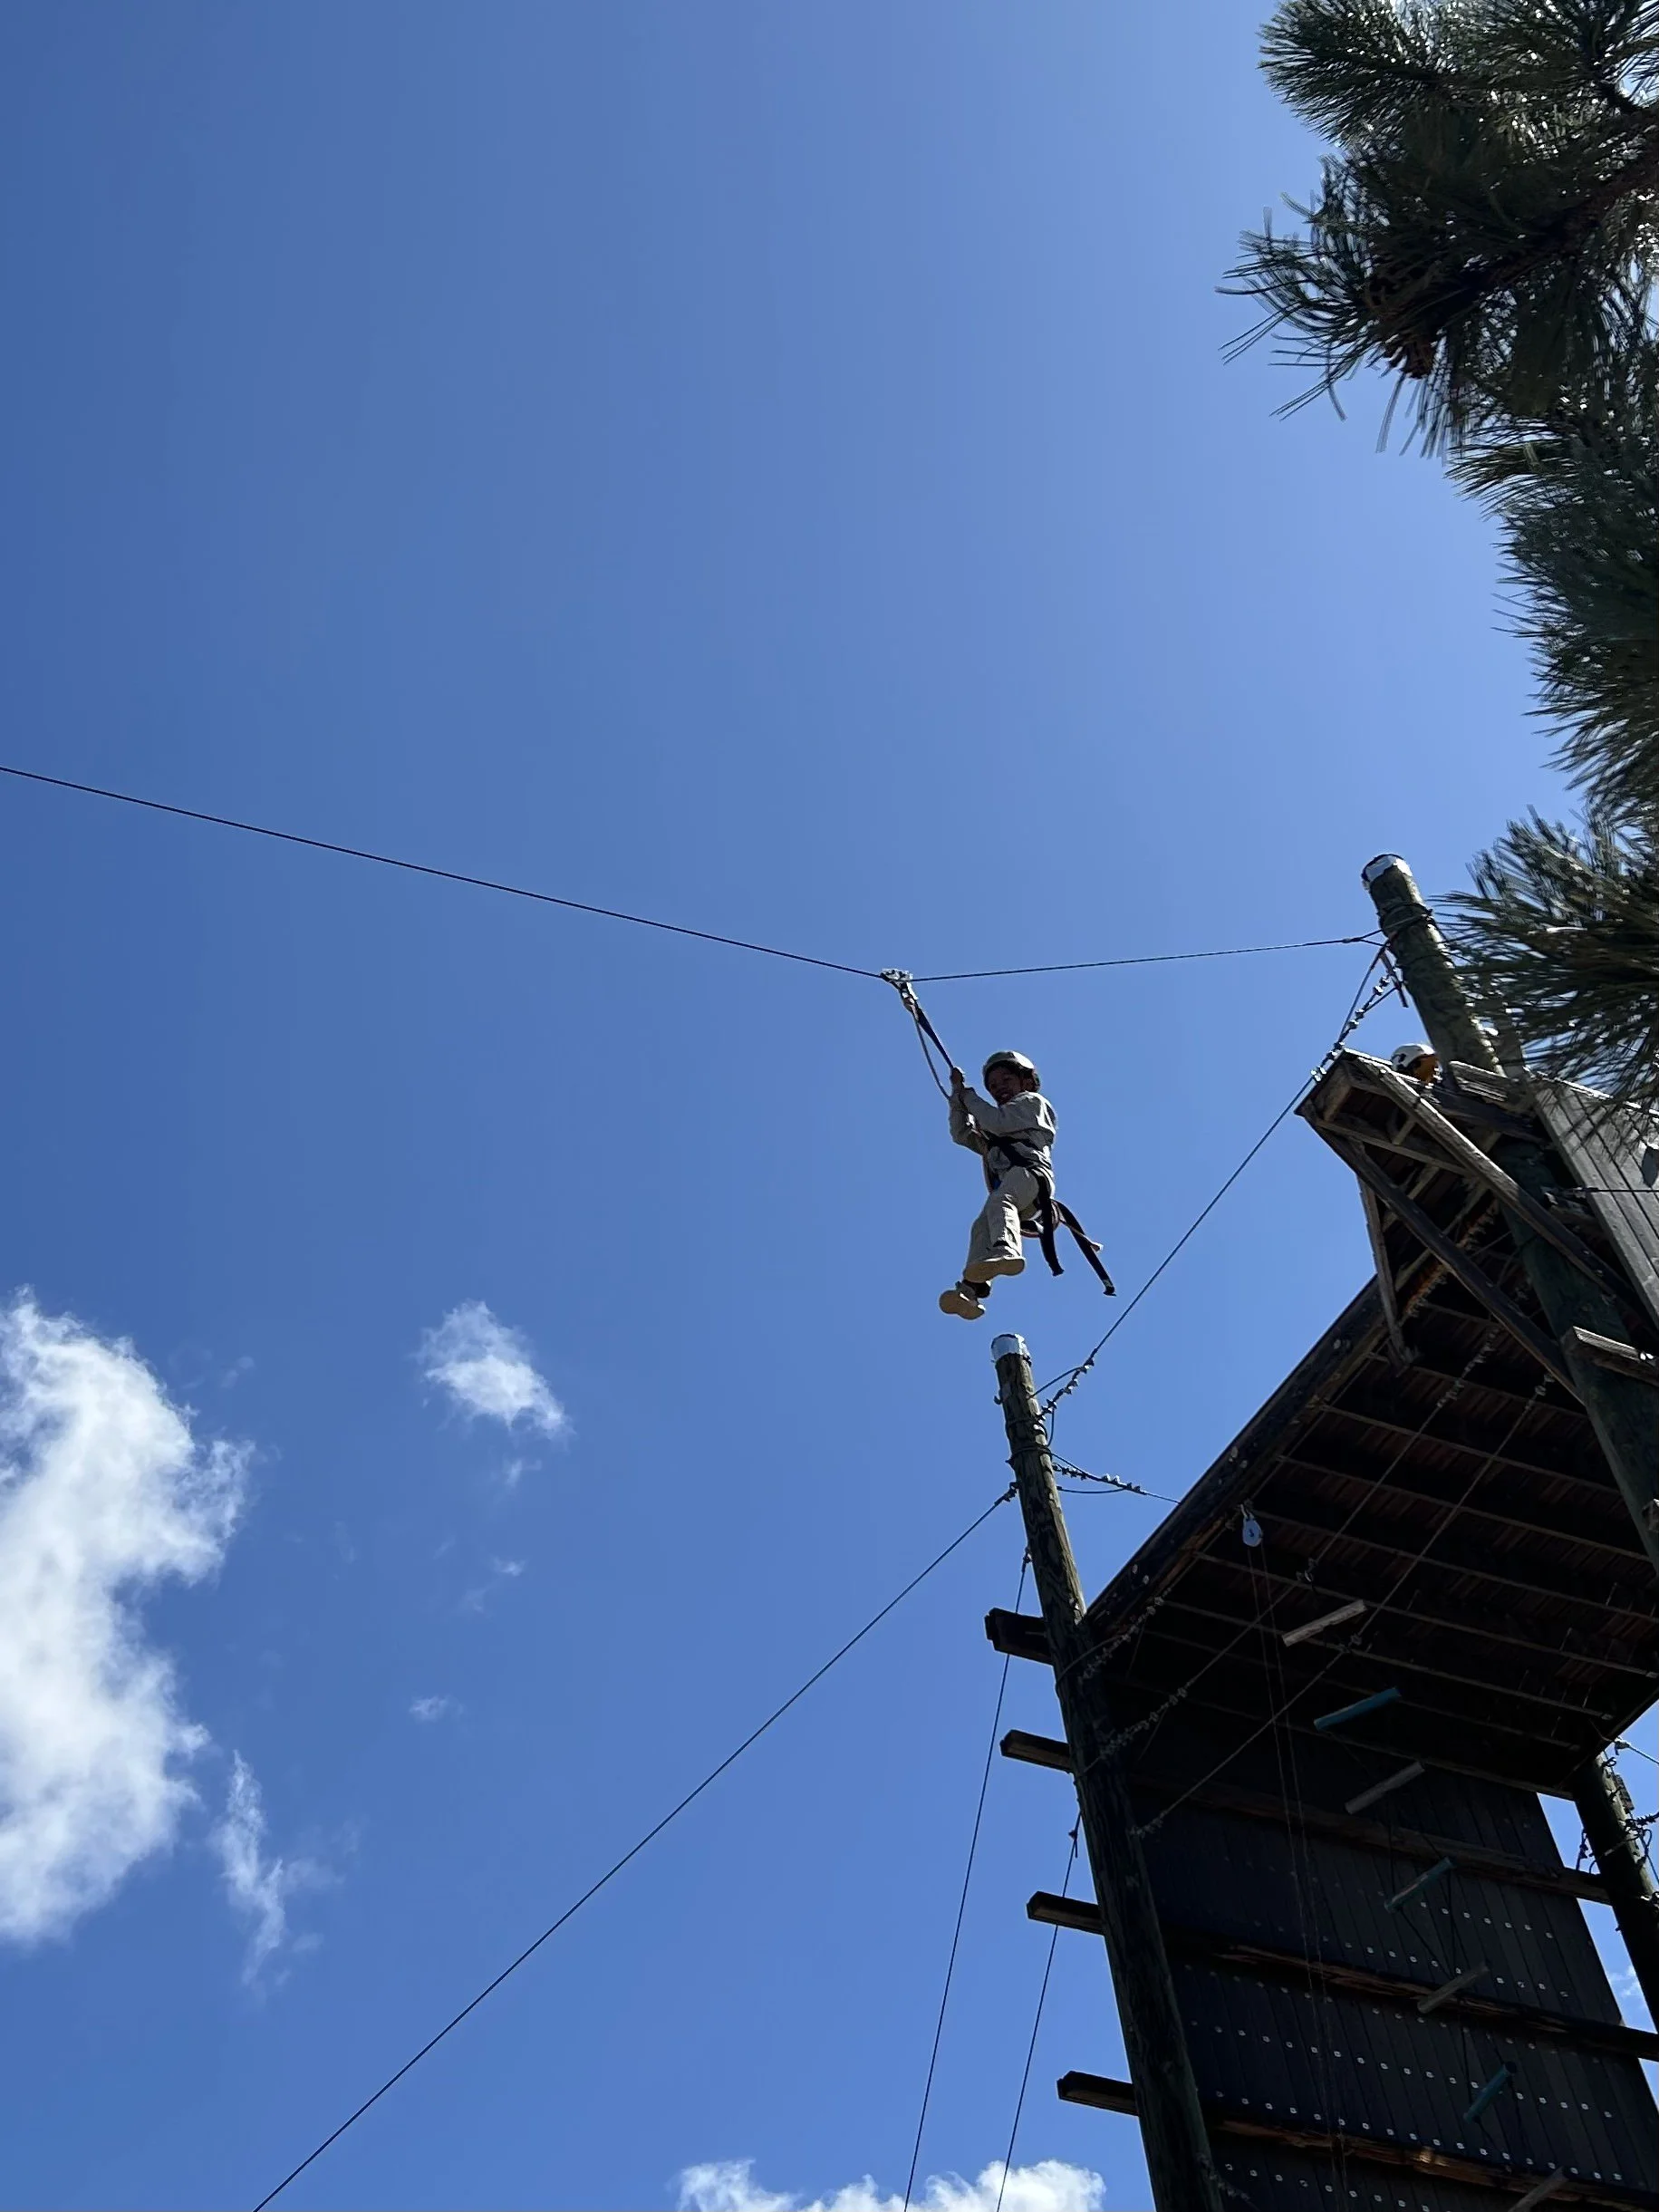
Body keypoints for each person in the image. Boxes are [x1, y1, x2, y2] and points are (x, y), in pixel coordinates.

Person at [940, 1050, 1055, 1320]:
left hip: (1032, 1175)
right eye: (993, 1086)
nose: (999, 1088)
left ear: (1026, 1081)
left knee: (1001, 1201)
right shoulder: (993, 1136)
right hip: (1017, 1189)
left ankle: (1008, 1249)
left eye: (1006, 1080)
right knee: (982, 1225)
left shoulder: (1031, 1103)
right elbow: (962, 1134)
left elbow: (997, 1122)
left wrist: (968, 1097)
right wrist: (957, 1097)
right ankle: (971, 1289)